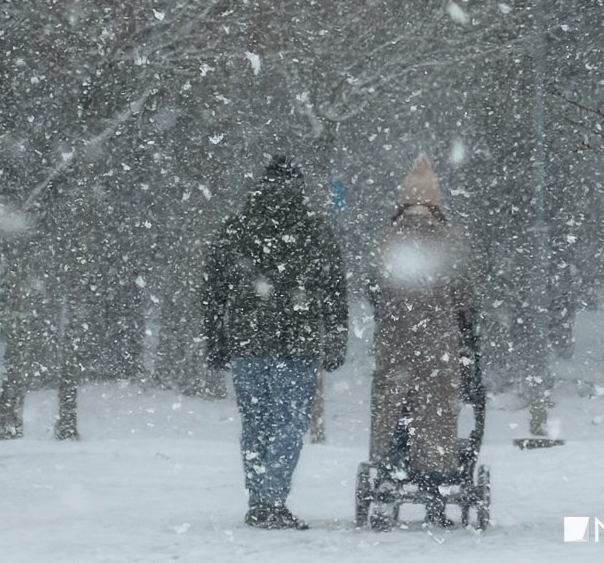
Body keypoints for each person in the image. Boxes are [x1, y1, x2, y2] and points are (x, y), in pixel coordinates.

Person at [202, 155, 348, 530]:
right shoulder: (314, 231)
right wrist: (334, 339)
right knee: (288, 424)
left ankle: (258, 499)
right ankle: (273, 499)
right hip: (295, 343)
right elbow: (334, 291)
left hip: (247, 342)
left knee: (255, 424)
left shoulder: (236, 229)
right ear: (298, 189)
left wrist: (216, 340)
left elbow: (214, 291)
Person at [366, 153, 480, 528]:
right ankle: (434, 493)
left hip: (395, 342)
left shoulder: (388, 238)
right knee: (434, 414)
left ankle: (388, 472)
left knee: (394, 409)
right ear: (435, 202)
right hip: (438, 342)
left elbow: (374, 288)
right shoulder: (448, 240)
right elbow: (464, 295)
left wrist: (393, 317)